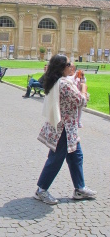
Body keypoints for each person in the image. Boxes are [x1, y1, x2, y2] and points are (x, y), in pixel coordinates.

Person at [34, 54, 96, 205]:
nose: (71, 66)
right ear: (62, 67)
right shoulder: (64, 84)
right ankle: (41, 190)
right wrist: (84, 88)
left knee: (76, 156)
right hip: (64, 129)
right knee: (55, 159)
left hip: (68, 127)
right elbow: (81, 100)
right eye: (69, 64)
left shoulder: (56, 80)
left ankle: (79, 188)